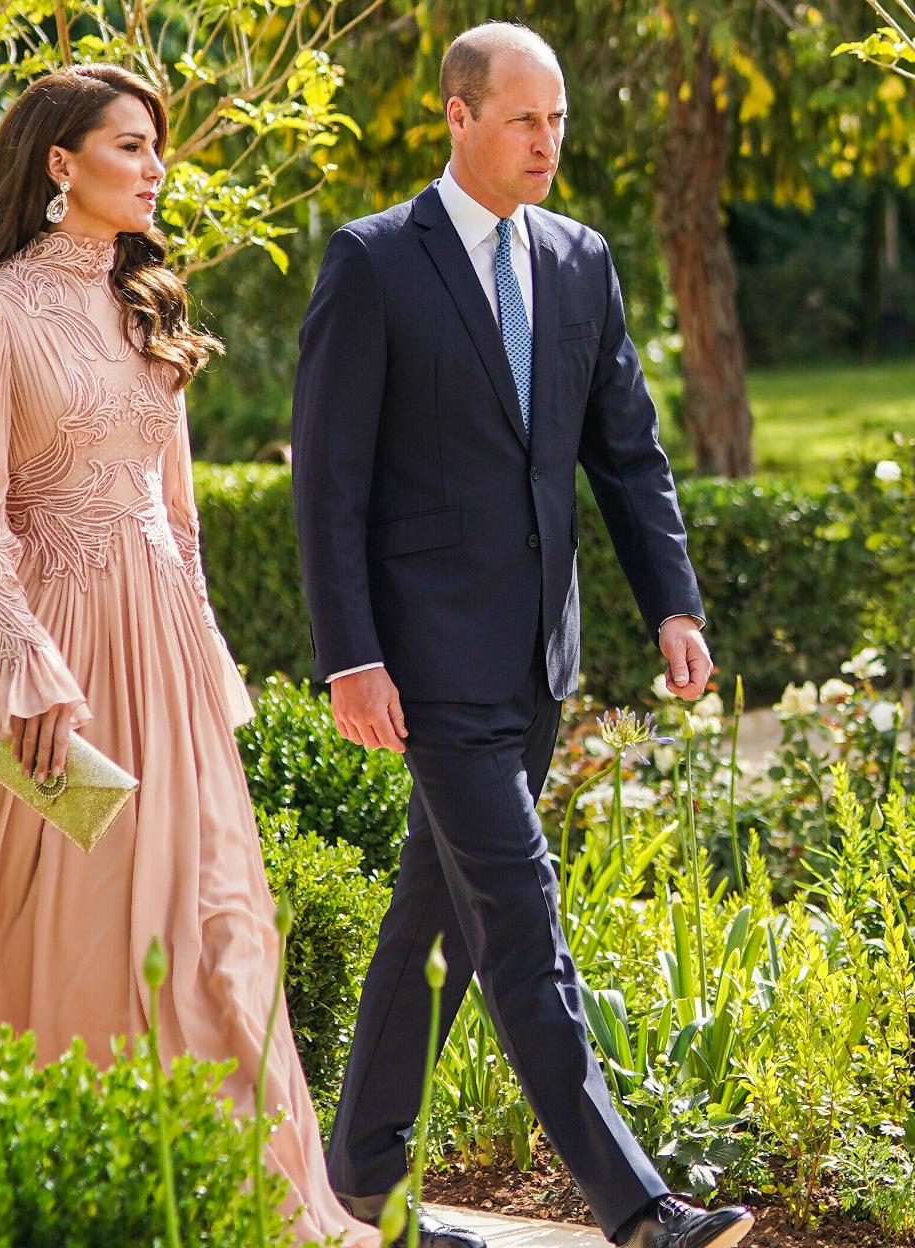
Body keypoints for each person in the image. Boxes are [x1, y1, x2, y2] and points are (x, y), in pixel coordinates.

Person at [0, 62, 380, 1247]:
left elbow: (178, 514)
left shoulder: (151, 300)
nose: (156, 167)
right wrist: (29, 662)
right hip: (53, 662)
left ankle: (239, 1199)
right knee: (80, 929)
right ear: (61, 163)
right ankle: (75, 1188)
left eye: (157, 147)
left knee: (217, 927)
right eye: (130, 145)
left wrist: (205, 654)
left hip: (164, 660)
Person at [291, 21, 754, 1248]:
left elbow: (627, 453)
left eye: (557, 120)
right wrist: (352, 655)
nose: (547, 142)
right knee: (519, 917)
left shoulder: (580, 259)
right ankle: (639, 1209)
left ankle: (361, 1180)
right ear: (458, 116)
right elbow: (328, 484)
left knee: (431, 921)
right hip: (425, 663)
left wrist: (673, 603)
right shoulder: (373, 261)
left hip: (538, 656)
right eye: (523, 120)